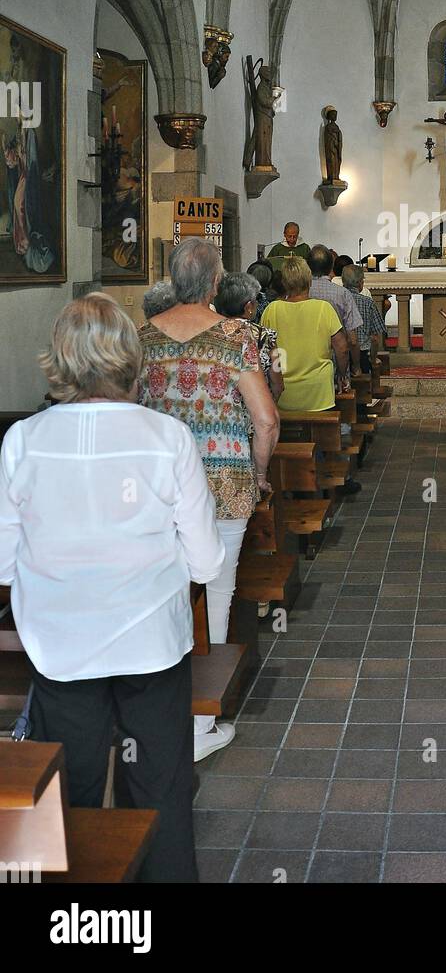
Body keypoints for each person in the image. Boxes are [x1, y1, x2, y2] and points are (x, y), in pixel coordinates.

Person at [0, 293, 224, 882]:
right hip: (150, 643)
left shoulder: (22, 441)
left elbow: (2, 564)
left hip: (62, 649)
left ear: (60, 360)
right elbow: (204, 561)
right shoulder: (168, 437)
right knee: (161, 788)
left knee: (67, 794)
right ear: (129, 357)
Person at [137, 238, 280, 761]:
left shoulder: (142, 336)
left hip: (159, 488)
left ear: (174, 280)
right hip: (222, 481)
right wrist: (259, 473)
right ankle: (202, 722)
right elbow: (264, 418)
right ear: (217, 283)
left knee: (168, 593)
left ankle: (162, 712)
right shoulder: (236, 335)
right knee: (218, 589)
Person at [262, 260, 360, 495]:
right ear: (308, 281)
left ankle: (290, 485)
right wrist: (342, 376)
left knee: (287, 443)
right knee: (323, 441)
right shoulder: (323, 309)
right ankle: (321, 484)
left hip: (283, 394)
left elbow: (266, 350)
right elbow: (342, 347)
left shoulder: (271, 310)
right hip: (318, 394)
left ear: (284, 283)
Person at [215, 271, 284, 405]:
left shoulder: (210, 332)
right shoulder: (266, 336)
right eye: (255, 301)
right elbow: (278, 384)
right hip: (254, 414)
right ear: (248, 307)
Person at [308, 243, 363, 376]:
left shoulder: (300, 293)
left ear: (308, 266)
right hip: (335, 361)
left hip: (306, 359)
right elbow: (353, 339)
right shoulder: (342, 294)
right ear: (330, 267)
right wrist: (356, 366)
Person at [341, 264, 387, 373]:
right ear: (360, 283)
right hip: (362, 355)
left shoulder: (338, 299)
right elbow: (375, 338)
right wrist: (373, 358)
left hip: (340, 353)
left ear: (343, 282)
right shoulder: (368, 302)